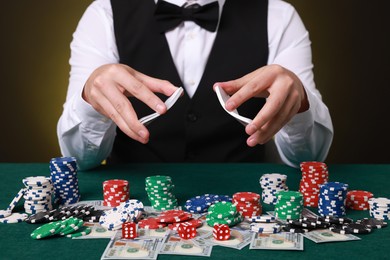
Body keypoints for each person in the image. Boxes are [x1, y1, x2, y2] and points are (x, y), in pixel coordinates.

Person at [57, 0, 333, 170]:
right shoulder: (103, 14)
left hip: (245, 213)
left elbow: (307, 159)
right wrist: (90, 100)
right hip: (135, 210)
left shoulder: (279, 16)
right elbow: (79, 160)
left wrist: (300, 103)